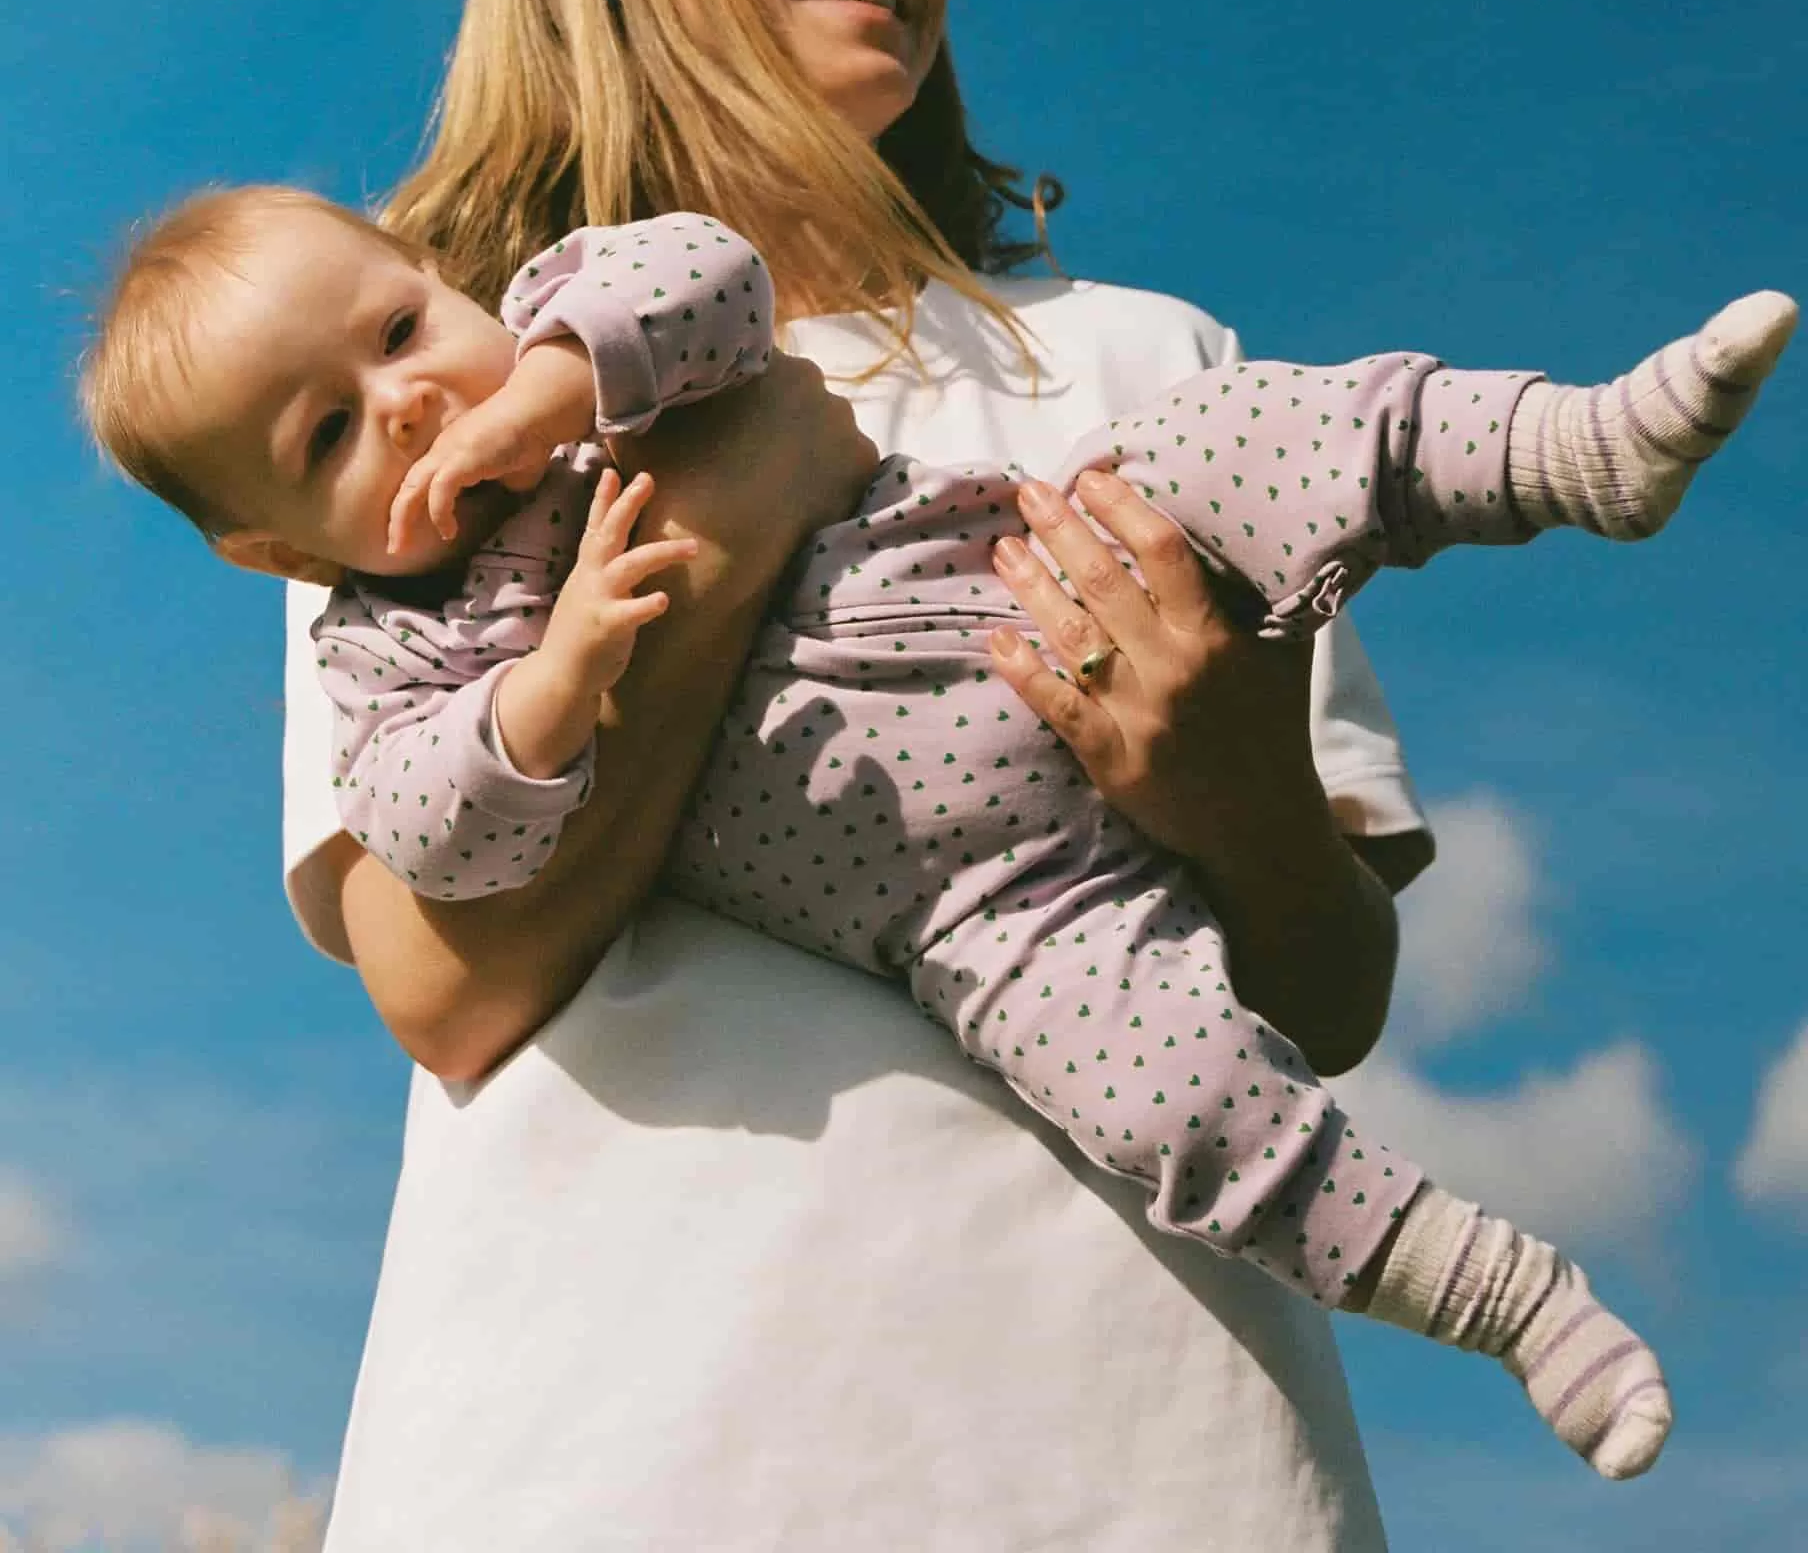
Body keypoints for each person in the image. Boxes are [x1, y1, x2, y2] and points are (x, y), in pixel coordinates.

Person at [243, 0, 1632, 1545]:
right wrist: (740, 510)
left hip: (1149, 1457)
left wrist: (1237, 796)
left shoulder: (1144, 356)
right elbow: (448, 985)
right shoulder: (428, 430)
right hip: (601, 1451)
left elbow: (1333, 993)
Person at [85, 170, 1795, 1479]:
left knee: (1252, 434)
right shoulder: (389, 643)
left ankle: (1580, 449)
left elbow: (707, 279)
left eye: (400, 332)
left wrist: (551, 384)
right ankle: (1511, 1301)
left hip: (1026, 559)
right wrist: (559, 680)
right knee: (1182, 1104)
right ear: (277, 548)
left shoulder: (584, 336)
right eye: (328, 431)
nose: (401, 400)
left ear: (446, 279)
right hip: (967, 901)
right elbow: (430, 844)